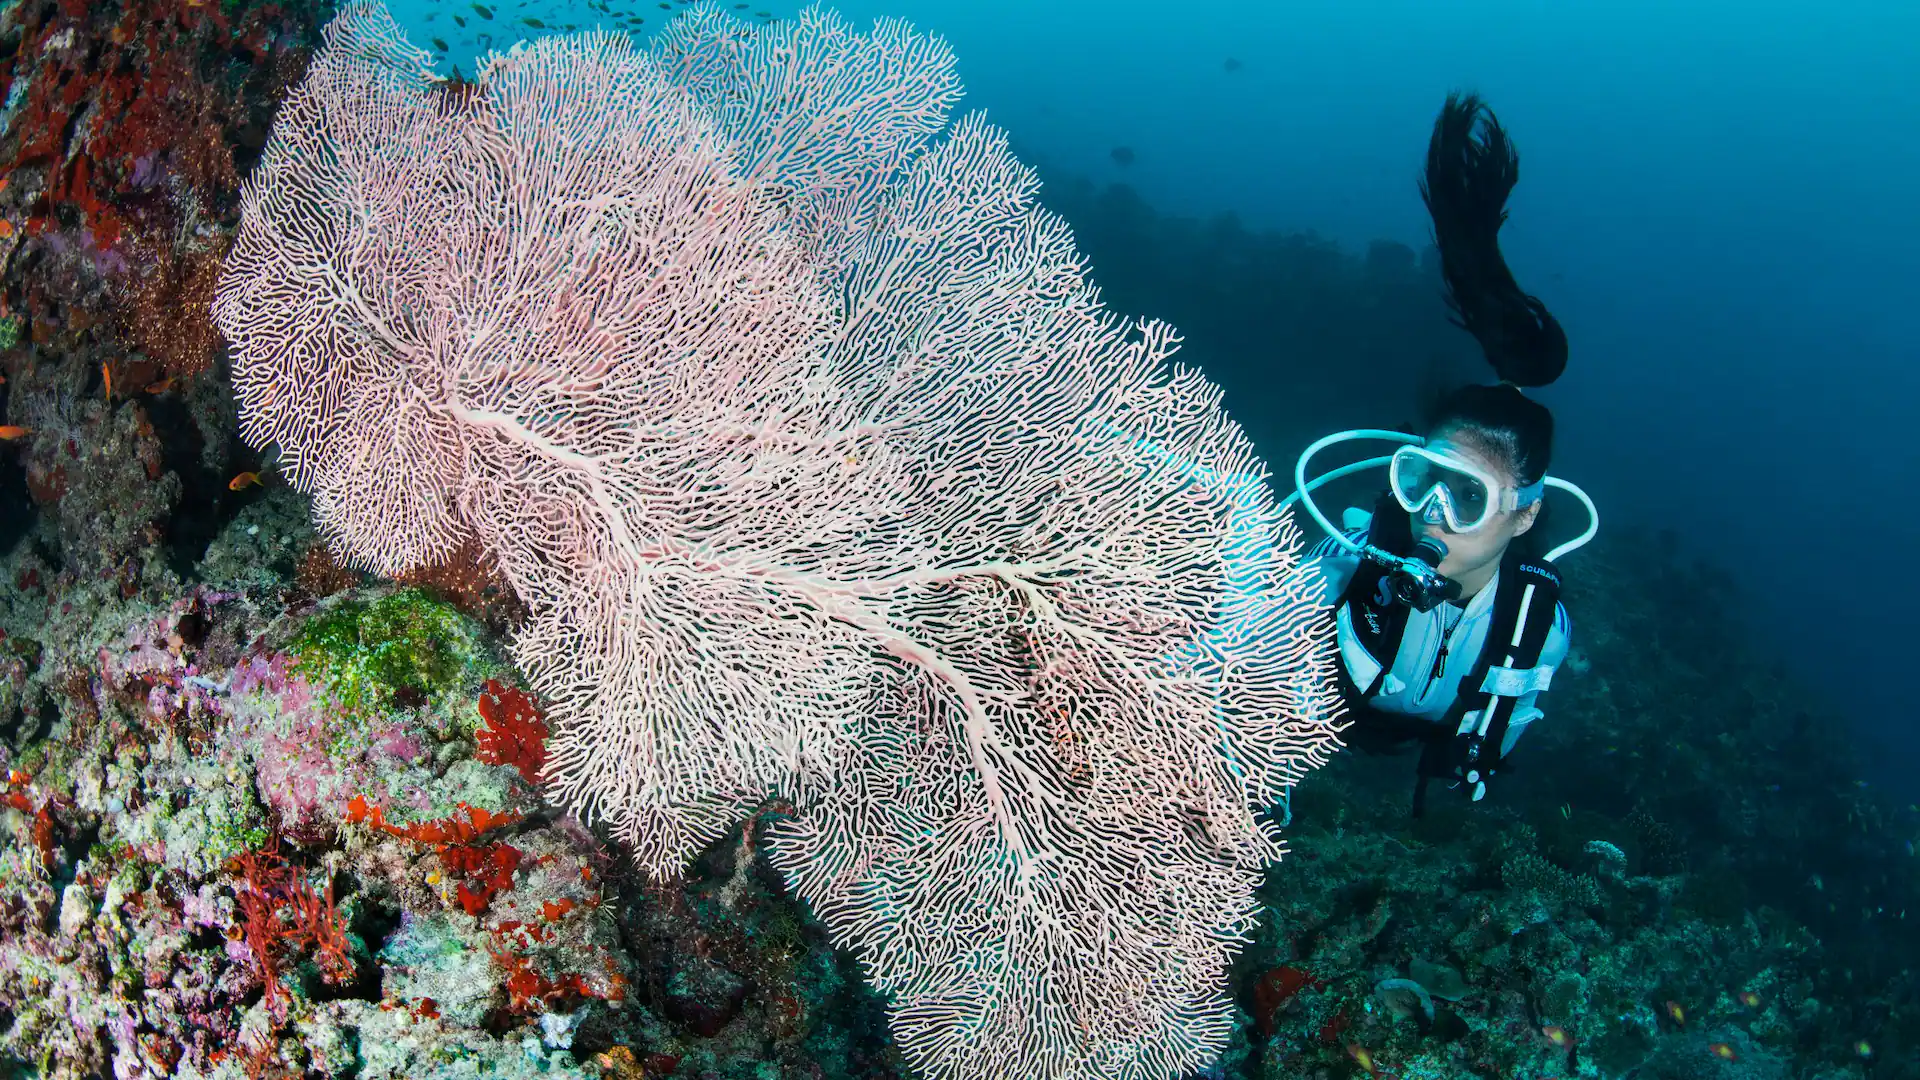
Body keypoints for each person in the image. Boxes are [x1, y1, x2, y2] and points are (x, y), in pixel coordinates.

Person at [1297, 92, 1583, 815]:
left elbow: (1511, 714)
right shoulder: (1355, 559)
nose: (1432, 513)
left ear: (1524, 515)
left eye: (1469, 497)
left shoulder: (1537, 626)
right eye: (1423, 479)